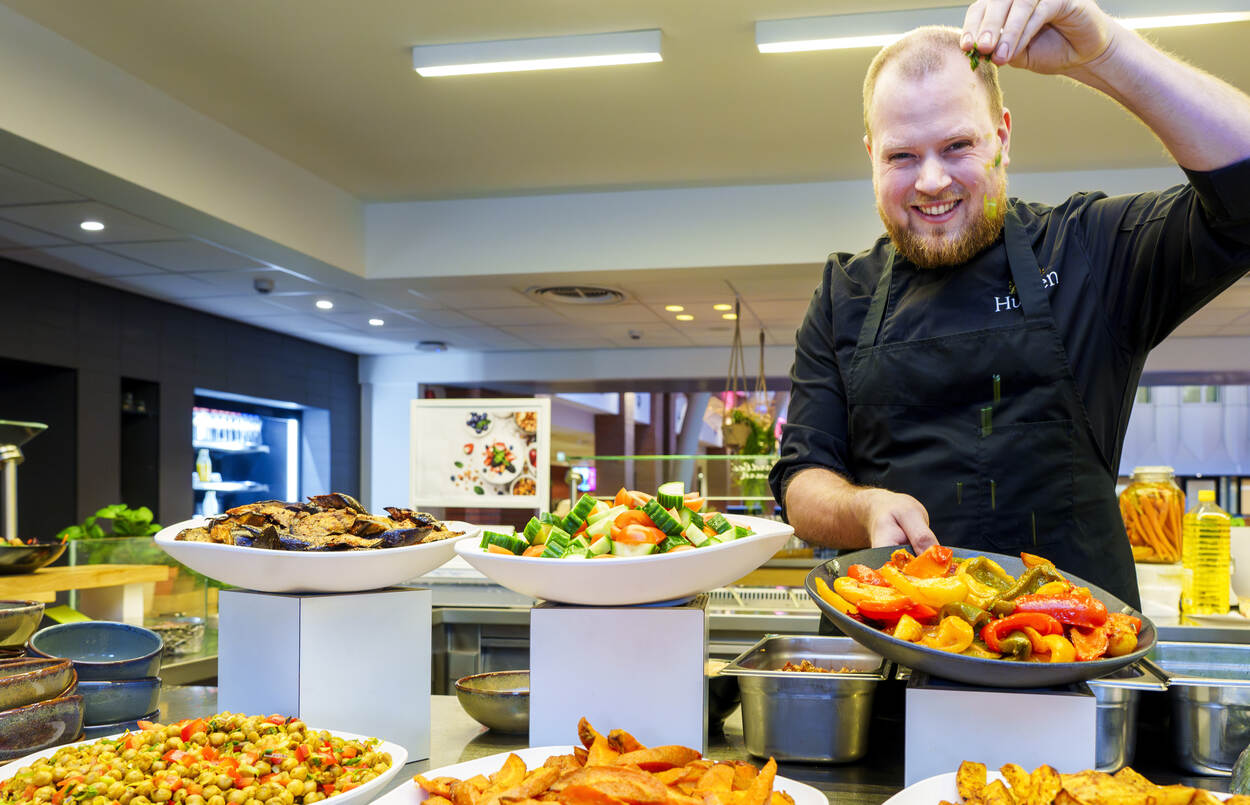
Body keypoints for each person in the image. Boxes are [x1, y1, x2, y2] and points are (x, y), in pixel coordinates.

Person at [769, 0, 1250, 608]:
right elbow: (802, 479)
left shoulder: (1087, 252)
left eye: (957, 145)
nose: (932, 181)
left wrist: (1106, 52)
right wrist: (863, 507)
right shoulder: (844, 292)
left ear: (1002, 136)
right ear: (870, 156)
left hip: (1073, 665)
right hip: (889, 673)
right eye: (902, 156)